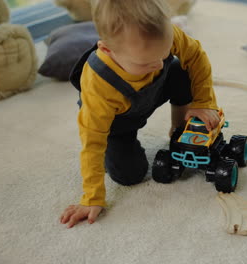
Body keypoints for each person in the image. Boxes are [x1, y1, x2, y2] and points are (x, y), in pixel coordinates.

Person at [60, 0, 220, 228]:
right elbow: (92, 142)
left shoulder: (164, 35)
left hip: (154, 93)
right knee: (130, 176)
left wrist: (203, 102)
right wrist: (91, 197)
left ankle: (179, 127)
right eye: (145, 63)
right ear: (107, 49)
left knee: (180, 68)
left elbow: (196, 55)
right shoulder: (98, 87)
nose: (156, 65)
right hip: (117, 121)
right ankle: (115, 155)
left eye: (162, 54)